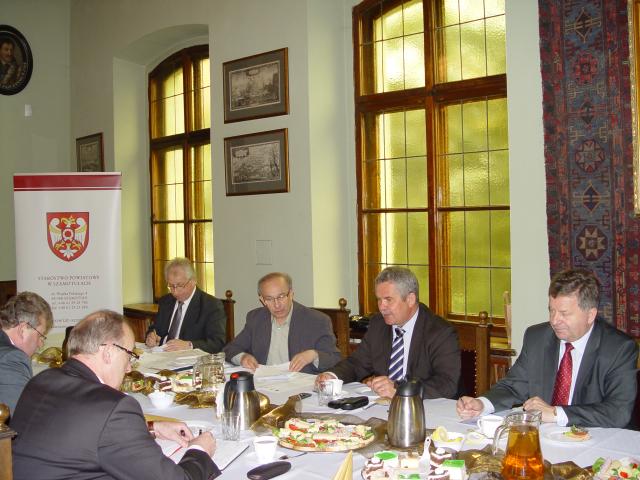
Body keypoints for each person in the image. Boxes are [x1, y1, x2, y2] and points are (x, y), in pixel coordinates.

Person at [11, 310, 220, 480]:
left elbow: (80, 430)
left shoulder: (42, 380)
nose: (129, 368)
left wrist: (151, 428)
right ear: (108, 352)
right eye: (129, 355)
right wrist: (199, 451)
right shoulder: (114, 407)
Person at [457, 268, 639, 428]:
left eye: (564, 313)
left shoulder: (618, 349)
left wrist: (555, 413)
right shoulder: (537, 337)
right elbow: (514, 386)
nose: (554, 320)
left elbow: (618, 412)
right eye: (551, 310)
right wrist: (482, 404)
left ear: (590, 315)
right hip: (544, 437)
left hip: (595, 440)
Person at [316, 267, 461, 399]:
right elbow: (357, 363)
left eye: (388, 300)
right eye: (379, 300)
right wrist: (332, 375)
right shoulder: (378, 324)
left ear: (410, 299)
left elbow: (446, 383)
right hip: (382, 404)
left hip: (427, 408)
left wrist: (400, 389)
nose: (382, 307)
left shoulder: (440, 332)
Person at [223, 272, 341, 374]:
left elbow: (335, 358)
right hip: (262, 383)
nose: (277, 304)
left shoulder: (317, 320)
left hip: (299, 385)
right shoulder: (256, 318)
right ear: (262, 300)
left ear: (291, 294)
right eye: (269, 299)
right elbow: (230, 349)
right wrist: (242, 357)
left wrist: (313, 355)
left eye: (281, 296)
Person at [146, 258, 226, 353]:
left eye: (180, 285)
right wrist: (151, 336)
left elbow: (217, 343)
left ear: (193, 281)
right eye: (171, 286)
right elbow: (156, 328)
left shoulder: (211, 305)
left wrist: (189, 345)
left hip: (188, 358)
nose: (175, 292)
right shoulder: (166, 301)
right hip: (161, 354)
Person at [0, 291, 52, 415]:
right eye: (40, 335)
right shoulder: (11, 358)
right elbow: (21, 415)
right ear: (22, 329)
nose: (40, 344)